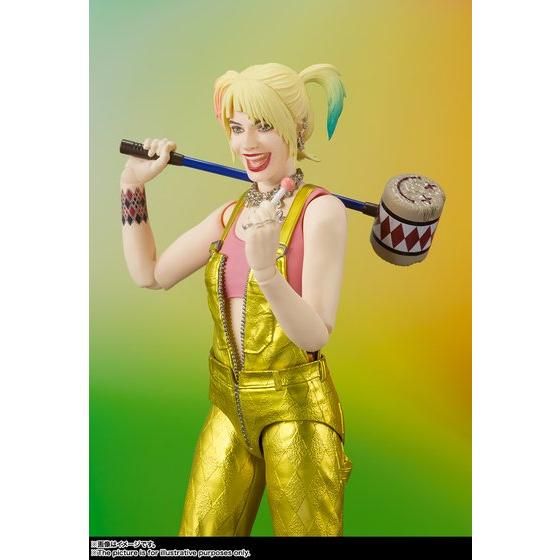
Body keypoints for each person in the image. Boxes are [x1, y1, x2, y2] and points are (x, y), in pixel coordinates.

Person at [120, 63, 353, 536]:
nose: (247, 143)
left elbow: (315, 334)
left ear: (297, 128)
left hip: (296, 410)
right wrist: (132, 185)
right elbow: (151, 274)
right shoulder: (232, 214)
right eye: (237, 127)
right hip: (229, 404)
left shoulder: (321, 211)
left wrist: (267, 273)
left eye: (263, 126)